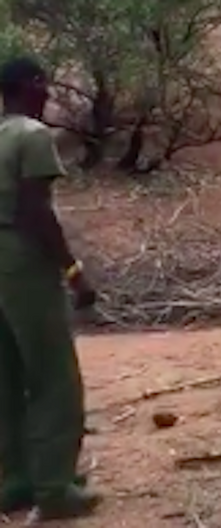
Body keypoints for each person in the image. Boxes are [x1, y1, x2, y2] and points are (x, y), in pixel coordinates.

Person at [0, 55, 102, 521]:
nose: (48, 93)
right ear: (31, 85)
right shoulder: (32, 136)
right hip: (22, 262)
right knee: (53, 377)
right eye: (43, 83)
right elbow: (35, 211)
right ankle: (55, 488)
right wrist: (72, 270)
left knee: (8, 374)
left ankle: (16, 480)